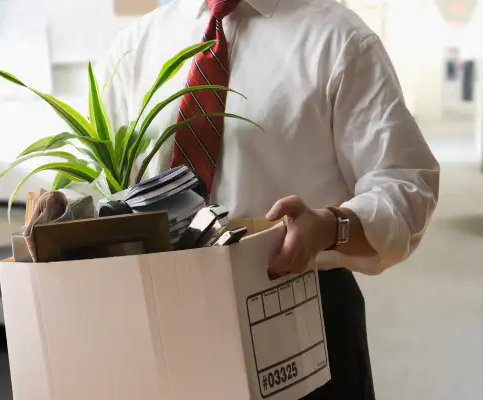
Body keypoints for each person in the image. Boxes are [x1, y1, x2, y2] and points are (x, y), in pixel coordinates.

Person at [99, 0, 440, 398]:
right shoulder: (139, 44)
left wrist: (330, 226)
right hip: (166, 314)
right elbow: (98, 180)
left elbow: (406, 183)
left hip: (298, 310)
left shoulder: (341, 41)